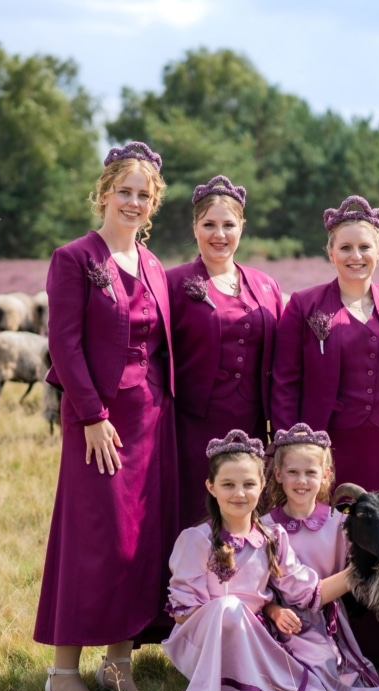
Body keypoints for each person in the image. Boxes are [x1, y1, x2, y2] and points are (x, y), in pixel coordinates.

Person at [34, 141, 178, 691]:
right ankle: (63, 674)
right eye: (125, 191)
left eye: (144, 195)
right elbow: (64, 344)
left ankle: (119, 667)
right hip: (98, 422)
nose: (134, 202)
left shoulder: (154, 266)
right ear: (103, 193)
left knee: (136, 542)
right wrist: (91, 414)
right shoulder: (73, 259)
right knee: (88, 539)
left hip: (150, 421)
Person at [162, 430, 379, 691]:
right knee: (228, 607)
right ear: (211, 487)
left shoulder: (273, 538)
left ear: (263, 484)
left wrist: (365, 562)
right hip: (201, 641)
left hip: (257, 637)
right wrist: (235, 616)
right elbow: (183, 614)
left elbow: (309, 593)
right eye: (228, 485)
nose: (240, 493)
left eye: (249, 484)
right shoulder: (195, 540)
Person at [271, 195, 379, 496]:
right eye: (345, 247)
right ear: (330, 253)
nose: (356, 256)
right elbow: (285, 381)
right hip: (325, 444)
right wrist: (289, 443)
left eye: (365, 247)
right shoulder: (304, 305)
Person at [166, 175, 283, 530]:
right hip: (192, 423)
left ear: (242, 228)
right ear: (195, 227)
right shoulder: (172, 283)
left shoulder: (265, 284)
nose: (219, 234)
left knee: (246, 507)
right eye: (209, 225)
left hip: (251, 421)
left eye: (228, 225)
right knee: (196, 508)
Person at [262, 423, 379, 690]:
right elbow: (256, 586)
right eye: (293, 472)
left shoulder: (340, 524)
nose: (302, 481)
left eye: (310, 472)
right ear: (278, 474)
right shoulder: (265, 527)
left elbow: (370, 546)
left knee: (323, 667)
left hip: (325, 624)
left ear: (325, 475)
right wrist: (273, 611)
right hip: (279, 622)